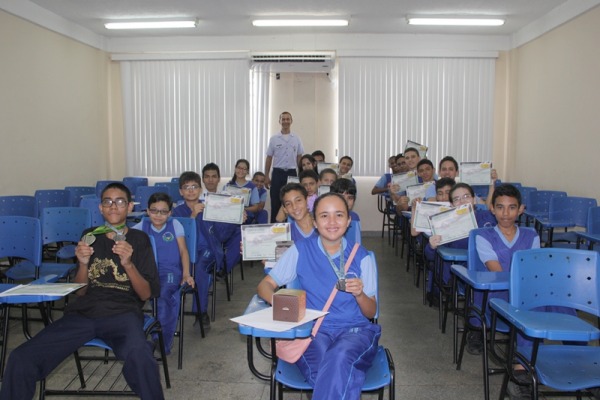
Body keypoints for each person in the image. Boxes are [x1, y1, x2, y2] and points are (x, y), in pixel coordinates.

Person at [0, 182, 164, 400]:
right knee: (21, 358)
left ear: (130, 207)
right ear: (100, 208)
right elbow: (81, 291)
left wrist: (128, 264)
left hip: (122, 314)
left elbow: (145, 295)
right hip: (83, 314)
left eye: (120, 202)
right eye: (107, 201)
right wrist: (84, 263)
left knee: (141, 358)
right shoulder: (90, 235)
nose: (113, 206)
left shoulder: (139, 239)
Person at [257, 193, 380, 399]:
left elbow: (371, 312)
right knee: (333, 371)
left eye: (339, 215)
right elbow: (265, 285)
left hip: (355, 331)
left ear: (349, 221)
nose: (332, 222)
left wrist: (359, 294)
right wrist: (283, 303)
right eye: (324, 216)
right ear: (315, 222)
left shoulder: (362, 256)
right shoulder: (300, 250)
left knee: (339, 358)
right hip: (314, 331)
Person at [133, 192, 195, 355]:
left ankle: (161, 342)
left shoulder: (175, 225)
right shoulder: (141, 226)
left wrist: (186, 274)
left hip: (170, 271)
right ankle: (150, 328)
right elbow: (124, 238)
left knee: (163, 297)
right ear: (147, 211)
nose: (158, 215)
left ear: (170, 213)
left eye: (163, 211)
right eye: (154, 210)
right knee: (125, 300)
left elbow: (184, 252)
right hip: (146, 272)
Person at [426, 183, 496, 300]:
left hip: (485, 269)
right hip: (459, 273)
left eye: (466, 197)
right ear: (452, 205)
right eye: (456, 199)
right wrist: (431, 246)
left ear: (474, 200)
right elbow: (430, 256)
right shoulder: (445, 224)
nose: (462, 201)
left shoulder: (489, 217)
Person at [264, 111, 304, 223]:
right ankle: (274, 230)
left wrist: (301, 175)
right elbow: (269, 158)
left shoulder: (296, 138)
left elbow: (299, 157)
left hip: (291, 173)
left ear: (291, 121)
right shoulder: (274, 139)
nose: (285, 121)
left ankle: (291, 229)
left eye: (287, 119)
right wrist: (266, 175)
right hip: (277, 173)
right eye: (283, 119)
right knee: (276, 202)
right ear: (279, 121)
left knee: (292, 202)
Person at [225, 159, 261, 223]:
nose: (241, 170)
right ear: (235, 169)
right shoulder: (227, 186)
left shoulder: (252, 187)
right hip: (229, 216)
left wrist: (242, 208)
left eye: (244, 169)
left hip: (246, 217)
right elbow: (223, 204)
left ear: (247, 171)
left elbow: (255, 207)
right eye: (239, 168)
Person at [331, 178, 361, 244]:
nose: (345, 201)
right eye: (341, 197)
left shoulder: (354, 218)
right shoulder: (324, 217)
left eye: (350, 198)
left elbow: (356, 246)